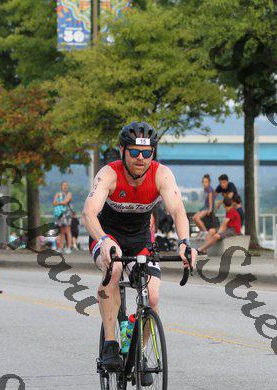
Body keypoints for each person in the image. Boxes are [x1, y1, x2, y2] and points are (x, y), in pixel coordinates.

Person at [81, 121, 197, 373]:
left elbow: (178, 211)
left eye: (146, 152)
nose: (140, 158)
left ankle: (136, 352)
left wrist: (185, 242)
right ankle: (110, 343)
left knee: (152, 297)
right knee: (113, 270)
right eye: (134, 152)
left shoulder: (161, 174)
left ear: (153, 153)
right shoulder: (109, 174)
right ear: (122, 151)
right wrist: (103, 240)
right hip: (107, 236)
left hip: (141, 239)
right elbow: (89, 213)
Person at [53, 181, 73, 254]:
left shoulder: (69, 194)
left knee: (68, 230)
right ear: (61, 186)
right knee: (61, 231)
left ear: (67, 186)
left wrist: (58, 202)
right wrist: (60, 202)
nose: (65, 186)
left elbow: (65, 202)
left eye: (66, 185)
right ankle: (60, 248)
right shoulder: (57, 194)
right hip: (60, 213)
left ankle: (69, 247)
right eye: (63, 185)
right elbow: (54, 202)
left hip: (67, 213)